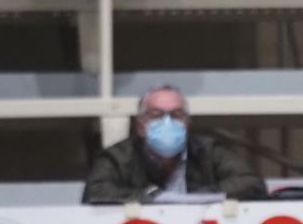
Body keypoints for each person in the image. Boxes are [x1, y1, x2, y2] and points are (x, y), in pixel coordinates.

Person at [82, 85, 267, 204]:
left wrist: (197, 197)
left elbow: (251, 183)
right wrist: (153, 197)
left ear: (187, 124)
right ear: (139, 126)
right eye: (156, 115)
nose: (167, 122)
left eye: (176, 115)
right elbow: (96, 192)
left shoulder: (209, 151)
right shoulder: (118, 157)